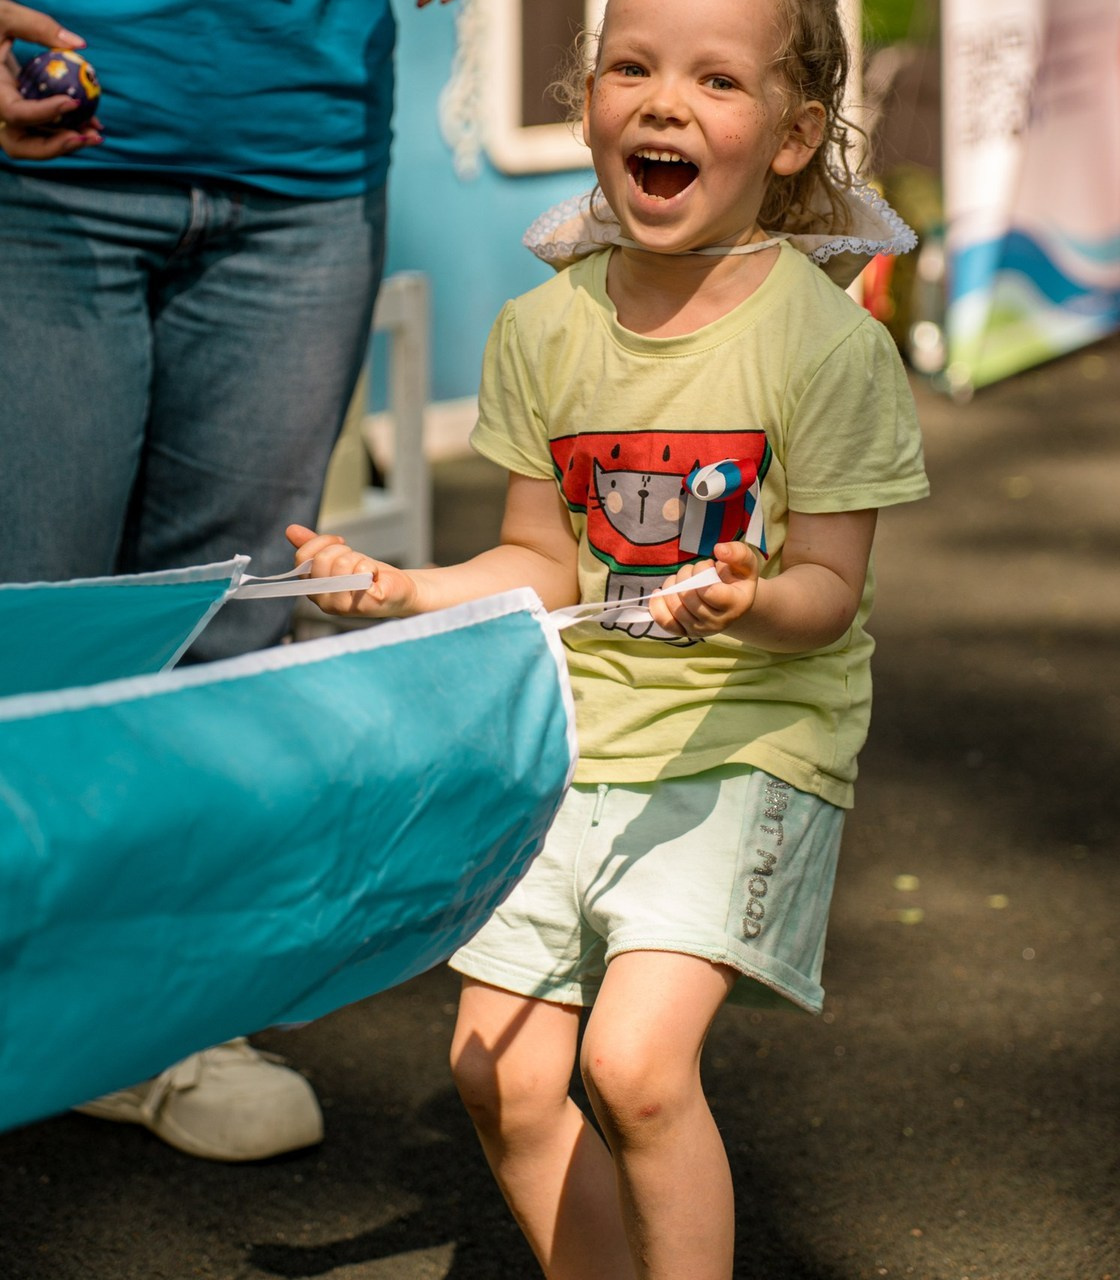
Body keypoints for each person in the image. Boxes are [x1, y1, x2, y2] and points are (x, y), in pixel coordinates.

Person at [290, 0, 927, 1273]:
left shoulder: (828, 345)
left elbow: (828, 595)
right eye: (627, 67)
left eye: (714, 81)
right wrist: (400, 584)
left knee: (633, 1065)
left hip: (749, 736)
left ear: (793, 136)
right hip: (581, 739)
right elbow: (539, 561)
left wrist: (749, 599)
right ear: (586, 100)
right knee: (504, 1078)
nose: (661, 101)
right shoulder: (543, 329)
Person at [0, 0, 450, 1162]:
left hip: (302, 160)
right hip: (37, 148)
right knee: (30, 625)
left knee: (222, 627)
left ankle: (158, 1019)